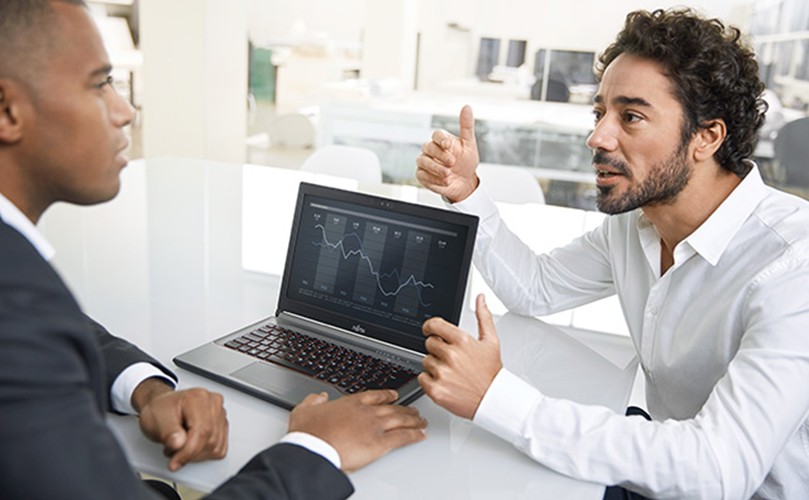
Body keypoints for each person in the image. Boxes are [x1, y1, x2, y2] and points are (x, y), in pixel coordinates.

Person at [0, 1, 427, 499]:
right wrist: (316, 448)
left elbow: (66, 333)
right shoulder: (20, 313)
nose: (125, 111)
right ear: (7, 111)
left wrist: (146, 389)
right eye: (99, 84)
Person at [416, 8, 809, 500]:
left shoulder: (793, 265)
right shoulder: (636, 223)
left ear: (707, 137)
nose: (597, 137)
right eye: (599, 113)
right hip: (661, 464)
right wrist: (465, 191)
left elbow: (720, 468)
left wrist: (497, 398)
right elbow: (535, 289)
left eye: (632, 117)